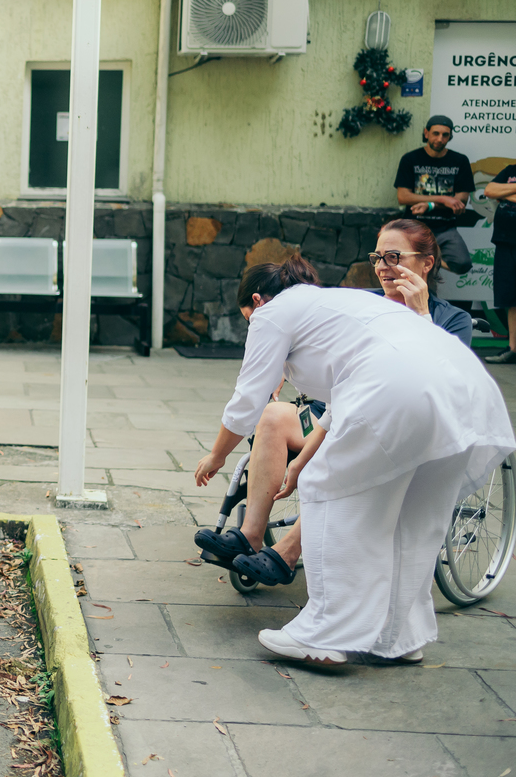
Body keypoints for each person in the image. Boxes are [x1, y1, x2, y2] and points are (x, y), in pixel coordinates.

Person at [194, 254, 512, 665]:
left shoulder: (272, 314)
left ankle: (324, 636)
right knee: (412, 517)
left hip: (397, 387)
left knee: (327, 490)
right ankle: (398, 637)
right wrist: (300, 459)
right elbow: (345, 395)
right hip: (460, 386)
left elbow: (247, 400)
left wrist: (217, 454)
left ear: (257, 301)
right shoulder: (341, 306)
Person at [196, 220, 473, 584]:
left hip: (400, 426)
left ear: (427, 263)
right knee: (276, 415)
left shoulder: (453, 320)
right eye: (377, 257)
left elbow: (446, 384)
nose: (383, 267)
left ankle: (288, 550)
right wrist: (277, 369)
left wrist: (420, 314)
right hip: (336, 410)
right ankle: (250, 534)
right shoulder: (362, 304)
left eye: (394, 256)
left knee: (346, 444)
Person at [394, 115, 475, 276]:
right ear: (426, 133)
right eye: (436, 133)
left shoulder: (459, 161)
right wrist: (442, 199)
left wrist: (429, 205)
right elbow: (403, 196)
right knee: (413, 271)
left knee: (462, 264)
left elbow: (460, 201)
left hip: (446, 227)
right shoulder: (410, 159)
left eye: (445, 135)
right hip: (414, 227)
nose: (440, 139)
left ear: (450, 136)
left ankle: (431, 259)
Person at [483, 163, 516, 364]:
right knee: (511, 297)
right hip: (505, 241)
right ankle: (514, 348)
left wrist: (503, 193)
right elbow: (489, 190)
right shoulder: (511, 170)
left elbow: (497, 192)